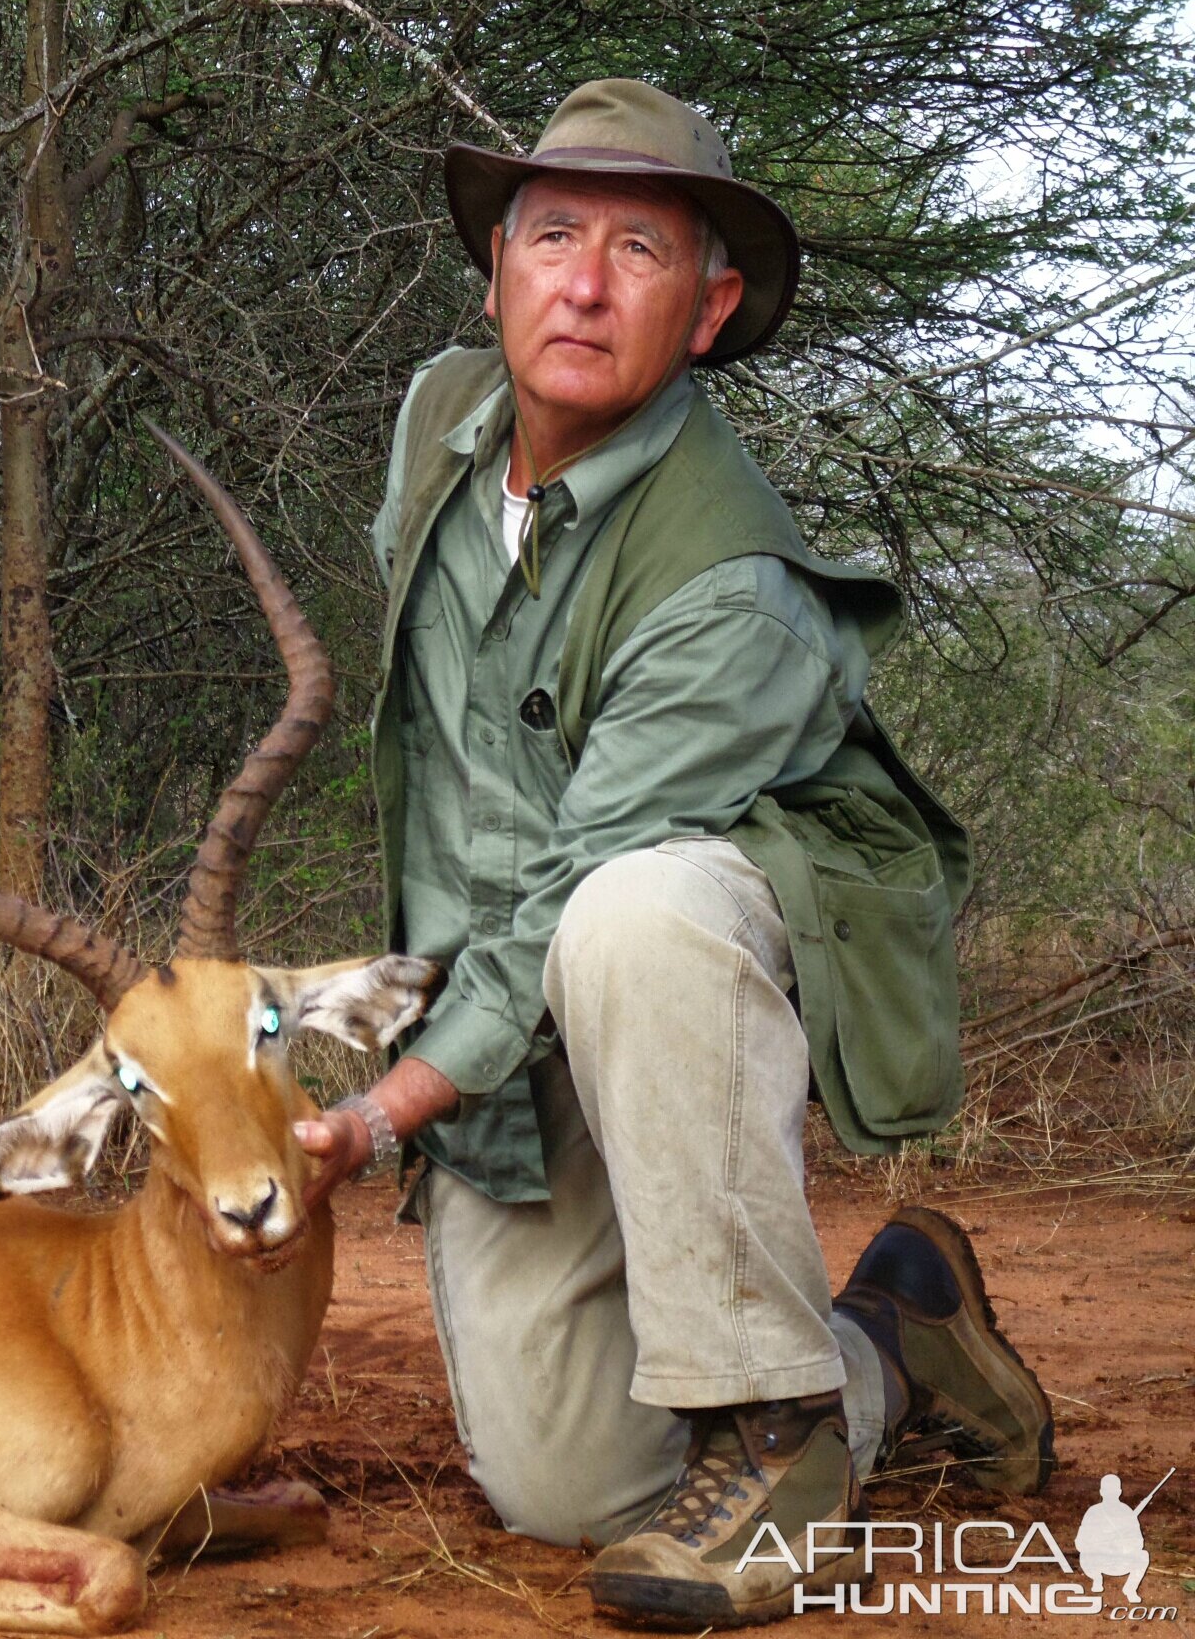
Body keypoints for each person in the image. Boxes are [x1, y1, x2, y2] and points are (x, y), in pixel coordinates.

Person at [293, 79, 1056, 1626]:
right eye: (552, 234)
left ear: (707, 313)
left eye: (639, 251)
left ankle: (775, 1425)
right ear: (495, 269)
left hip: (692, 954)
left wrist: (381, 1114)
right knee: (562, 1489)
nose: (581, 284)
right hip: (525, 991)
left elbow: (582, 871)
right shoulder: (441, 423)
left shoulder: (732, 585)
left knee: (632, 912)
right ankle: (892, 1339)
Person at [1076, 1474, 1153, 1602]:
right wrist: (1100, 1545)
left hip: (1120, 1560)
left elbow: (1138, 1543)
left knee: (1143, 1555)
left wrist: (1121, 1545)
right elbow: (1080, 1543)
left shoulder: (1126, 1512)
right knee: (1084, 1555)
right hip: (1097, 1561)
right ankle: (1096, 1578)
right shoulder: (1093, 1512)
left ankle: (1130, 1588)